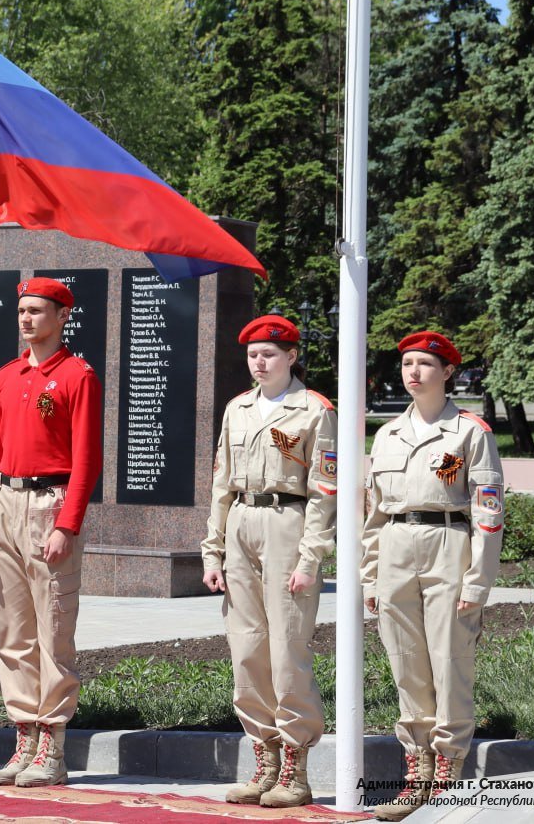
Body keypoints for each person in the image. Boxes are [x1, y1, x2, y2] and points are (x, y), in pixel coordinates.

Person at [361, 331, 503, 821]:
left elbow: (488, 513)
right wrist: (369, 575)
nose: (413, 372)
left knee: (450, 660)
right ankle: (416, 771)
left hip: (450, 544)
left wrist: (478, 579)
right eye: (406, 364)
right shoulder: (386, 435)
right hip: (396, 547)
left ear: (447, 372)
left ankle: (448, 773)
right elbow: (374, 514)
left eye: (424, 364)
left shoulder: (470, 432)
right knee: (406, 663)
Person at [0, 277, 102, 788]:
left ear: (62, 315)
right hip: (7, 500)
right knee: (13, 631)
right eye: (21, 310)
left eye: (37, 310)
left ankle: (52, 744)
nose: (25, 319)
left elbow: (87, 458)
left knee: (52, 627)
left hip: (50, 502)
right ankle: (23, 734)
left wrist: (67, 524)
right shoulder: (7, 376)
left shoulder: (77, 375)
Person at [201, 315, 337, 808]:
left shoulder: (314, 411)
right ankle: (265, 762)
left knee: (286, 650)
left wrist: (310, 555)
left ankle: (296, 769)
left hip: (288, 523)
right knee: (246, 649)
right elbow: (221, 483)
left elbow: (326, 490)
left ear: (292, 357)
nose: (259, 363)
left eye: (270, 355)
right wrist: (212, 549)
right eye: (254, 355)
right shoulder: (238, 409)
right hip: (242, 521)